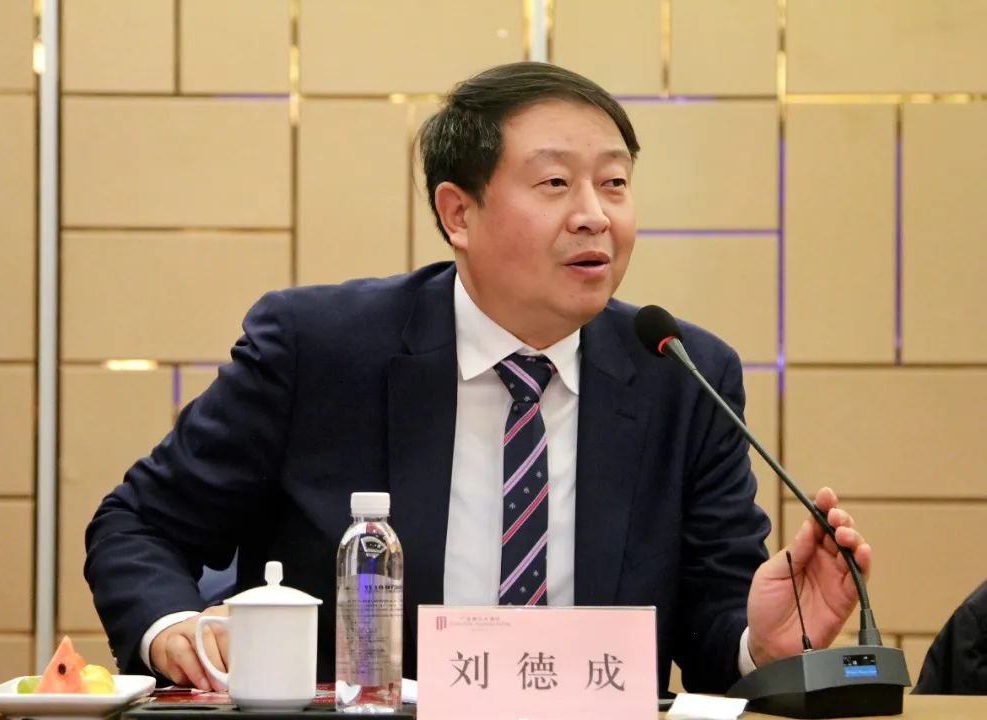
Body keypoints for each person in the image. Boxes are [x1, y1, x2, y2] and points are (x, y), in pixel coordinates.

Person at [85, 61, 871, 695]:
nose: (595, 215)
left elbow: (707, 626)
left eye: (615, 184)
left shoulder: (681, 374)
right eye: (556, 184)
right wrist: (172, 628)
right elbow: (139, 524)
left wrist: (760, 643)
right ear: (458, 214)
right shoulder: (319, 350)